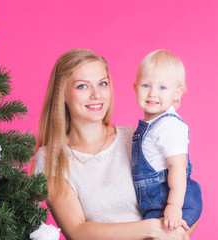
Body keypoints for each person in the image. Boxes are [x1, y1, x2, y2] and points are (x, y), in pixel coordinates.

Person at [33, 48, 196, 239]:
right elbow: (77, 231)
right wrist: (152, 229)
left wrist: (174, 231)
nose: (96, 95)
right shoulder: (52, 158)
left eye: (102, 83)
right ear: (62, 94)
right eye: (82, 86)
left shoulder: (137, 138)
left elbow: (187, 195)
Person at [132, 49, 202, 231]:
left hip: (171, 202)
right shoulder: (152, 124)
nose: (152, 93)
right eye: (146, 85)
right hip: (157, 205)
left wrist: (174, 206)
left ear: (176, 94)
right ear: (135, 88)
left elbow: (178, 167)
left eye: (162, 88)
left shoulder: (168, 125)